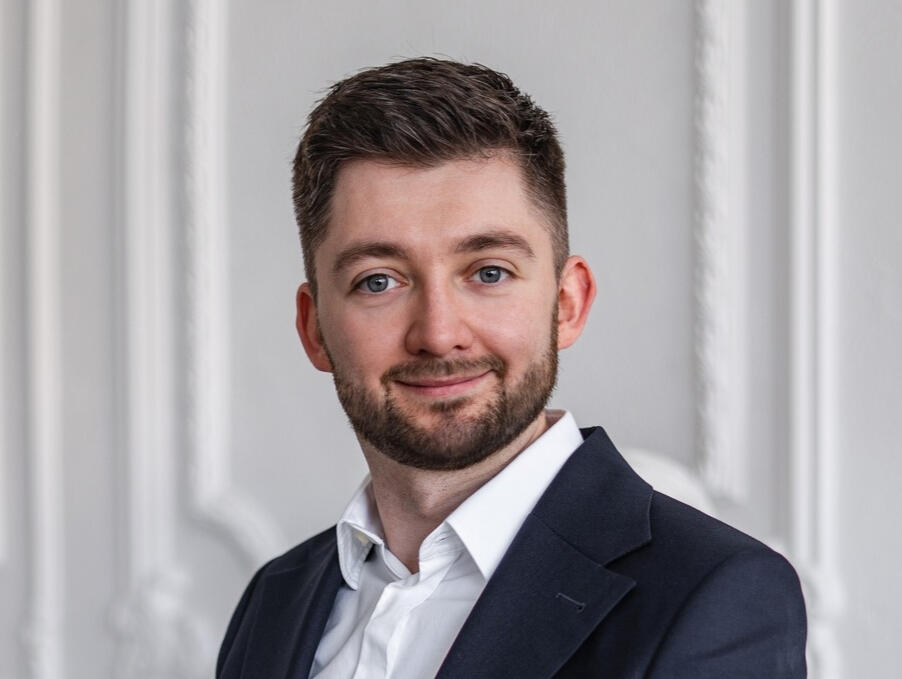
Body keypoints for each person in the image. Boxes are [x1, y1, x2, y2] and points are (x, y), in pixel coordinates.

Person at [216, 58, 807, 679]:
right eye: (379, 281)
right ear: (314, 328)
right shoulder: (274, 601)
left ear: (567, 303)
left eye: (489, 272)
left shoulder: (712, 595)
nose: (438, 333)